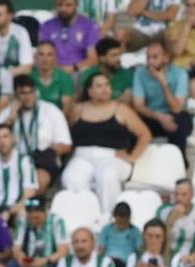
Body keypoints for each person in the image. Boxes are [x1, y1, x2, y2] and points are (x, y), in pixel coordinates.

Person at [62, 72, 151, 211]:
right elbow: (65, 133)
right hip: (82, 156)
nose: (104, 89)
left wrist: (133, 157)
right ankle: (84, 216)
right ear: (89, 91)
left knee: (107, 174)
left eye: (107, 85)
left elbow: (144, 134)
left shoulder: (121, 109)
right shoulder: (77, 110)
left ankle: (109, 216)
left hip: (112, 157)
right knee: (71, 177)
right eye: (99, 86)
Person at [0, 75, 72, 193]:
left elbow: (66, 145)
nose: (28, 97)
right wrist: (11, 118)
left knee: (39, 179)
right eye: (23, 93)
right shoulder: (8, 112)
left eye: (31, 92)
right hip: (12, 161)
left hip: (40, 163)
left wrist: (47, 153)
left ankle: (25, 203)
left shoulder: (50, 110)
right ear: (15, 95)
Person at [131, 38, 194, 158]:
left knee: (178, 124)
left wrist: (163, 82)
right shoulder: (140, 73)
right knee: (131, 126)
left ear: (166, 57)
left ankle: (179, 163)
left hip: (175, 115)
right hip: (152, 115)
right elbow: (138, 105)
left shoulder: (180, 74)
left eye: (155, 57)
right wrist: (159, 117)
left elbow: (177, 108)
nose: (150, 62)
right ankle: (134, 163)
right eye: (148, 57)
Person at [0, 124, 39, 223]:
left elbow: (29, 194)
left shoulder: (25, 161)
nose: (2, 141)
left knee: (22, 214)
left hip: (17, 208)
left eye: (5, 136)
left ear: (13, 139)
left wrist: (8, 212)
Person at [12, 196, 70, 267]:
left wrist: (46, 261)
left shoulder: (57, 221)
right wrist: (20, 256)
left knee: (62, 265)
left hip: (50, 262)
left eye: (37, 218)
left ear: (45, 212)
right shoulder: (22, 221)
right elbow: (16, 248)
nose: (34, 221)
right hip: (29, 262)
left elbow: (63, 251)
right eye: (31, 218)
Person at [38, 0, 100, 70]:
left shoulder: (89, 25)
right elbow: (42, 55)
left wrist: (73, 68)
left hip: (81, 70)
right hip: (53, 71)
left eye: (68, 5)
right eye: (60, 5)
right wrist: (58, 71)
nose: (63, 9)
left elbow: (93, 59)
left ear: (76, 5)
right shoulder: (46, 26)